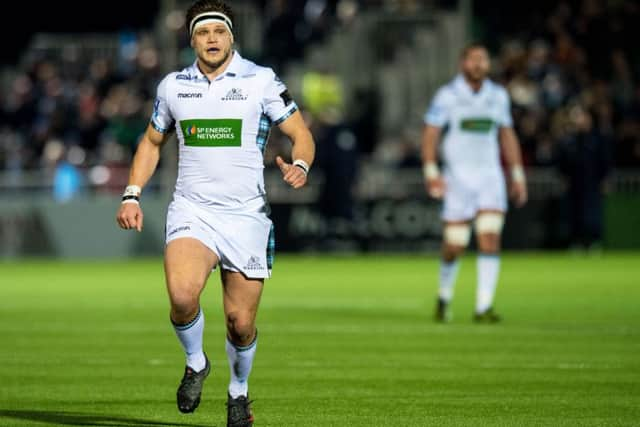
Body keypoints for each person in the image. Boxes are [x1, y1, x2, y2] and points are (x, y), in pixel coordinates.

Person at [115, 1, 315, 426]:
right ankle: (195, 361)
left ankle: (238, 394)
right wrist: (132, 193)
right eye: (203, 33)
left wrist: (300, 165)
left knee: (240, 324)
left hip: (246, 216)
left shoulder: (261, 80)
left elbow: (300, 133)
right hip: (193, 210)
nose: (211, 39)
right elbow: (151, 142)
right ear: (192, 40)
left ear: (231, 37)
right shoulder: (173, 86)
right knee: (183, 296)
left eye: (218, 32)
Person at [421, 43, 527, 323]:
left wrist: (517, 175)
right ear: (463, 64)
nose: (479, 64)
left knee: (490, 238)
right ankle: (444, 296)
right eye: (474, 60)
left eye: (484, 59)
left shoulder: (498, 96)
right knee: (455, 245)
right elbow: (431, 134)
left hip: (489, 177)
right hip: (457, 178)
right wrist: (431, 171)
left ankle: (483, 307)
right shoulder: (447, 96)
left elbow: (506, 135)